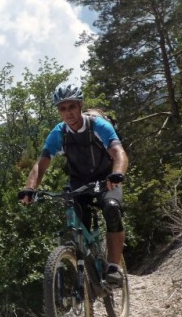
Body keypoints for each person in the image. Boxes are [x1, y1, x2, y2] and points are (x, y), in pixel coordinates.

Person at [19, 79, 129, 285]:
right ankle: (88, 276)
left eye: (71, 106)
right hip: (79, 183)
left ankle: (114, 268)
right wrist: (30, 189)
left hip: (107, 180)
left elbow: (119, 153)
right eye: (63, 108)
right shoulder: (58, 133)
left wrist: (117, 174)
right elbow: (41, 164)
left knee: (112, 208)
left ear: (80, 105)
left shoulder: (99, 126)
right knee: (76, 223)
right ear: (59, 111)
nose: (68, 112)